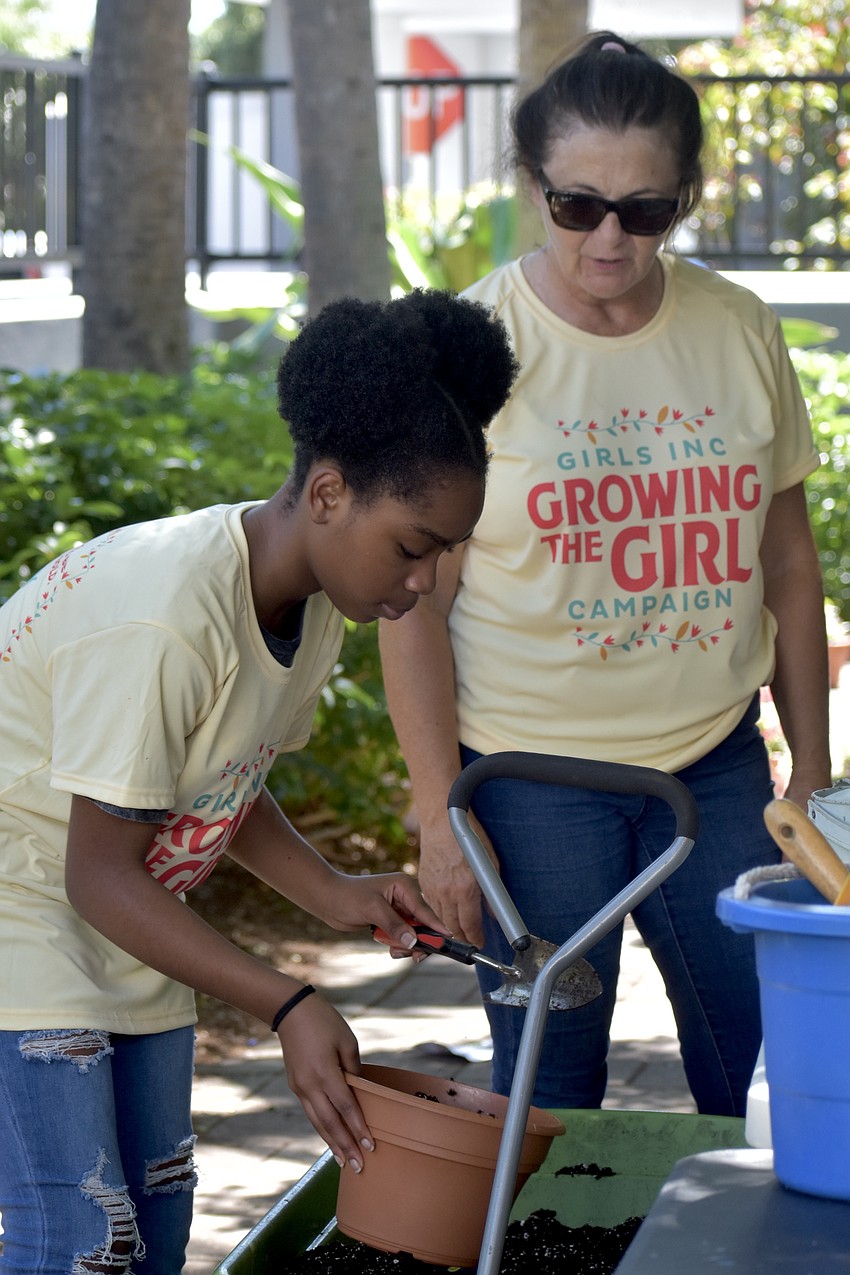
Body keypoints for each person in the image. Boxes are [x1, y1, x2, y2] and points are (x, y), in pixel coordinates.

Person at [0, 288, 519, 1273]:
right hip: (25, 907)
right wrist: (288, 1003)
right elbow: (95, 873)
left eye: (444, 555)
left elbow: (218, 775)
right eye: (412, 547)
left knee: (156, 1224)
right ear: (327, 494)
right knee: (82, 1238)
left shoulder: (313, 603)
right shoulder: (166, 617)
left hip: (121, 909)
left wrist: (335, 892)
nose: (424, 582)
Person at [379, 32, 832, 1120]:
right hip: (528, 781)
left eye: (646, 209)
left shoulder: (737, 328)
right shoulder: (469, 351)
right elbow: (411, 604)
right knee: (547, 1095)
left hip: (715, 766)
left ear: (685, 197)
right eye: (577, 206)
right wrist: (441, 817)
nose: (610, 238)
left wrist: (812, 774)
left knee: (768, 1079)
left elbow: (786, 562)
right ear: (532, 185)